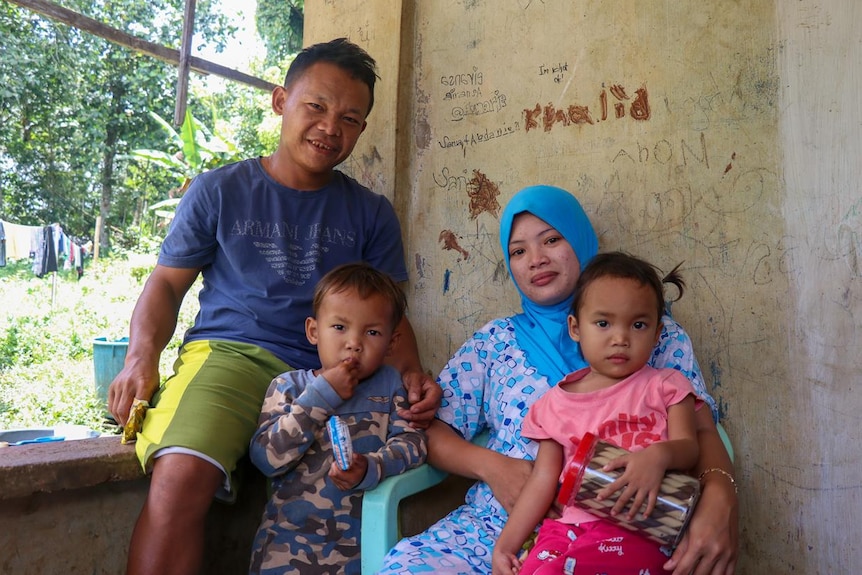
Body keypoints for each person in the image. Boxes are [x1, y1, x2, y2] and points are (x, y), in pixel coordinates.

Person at [107, 38, 440, 575]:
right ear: (281, 100)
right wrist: (139, 356)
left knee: (360, 484)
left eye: (351, 118)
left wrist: (411, 376)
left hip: (341, 370)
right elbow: (166, 286)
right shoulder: (219, 190)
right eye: (317, 106)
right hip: (233, 358)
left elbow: (389, 319)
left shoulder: (371, 214)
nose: (331, 127)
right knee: (179, 479)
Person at [378, 185, 738, 575]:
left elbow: (703, 432)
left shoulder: (653, 332)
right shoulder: (494, 342)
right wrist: (494, 468)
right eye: (518, 251)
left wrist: (720, 502)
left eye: (551, 239)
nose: (536, 259)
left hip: (625, 528)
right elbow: (430, 431)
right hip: (498, 526)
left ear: (582, 239)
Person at [492, 251, 701, 575]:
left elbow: (689, 448)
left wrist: (658, 456)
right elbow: (543, 480)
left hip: (641, 529)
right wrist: (505, 546)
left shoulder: (666, 387)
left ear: (658, 334)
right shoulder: (554, 404)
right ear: (575, 328)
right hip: (567, 530)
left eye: (638, 325)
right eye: (603, 323)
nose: (620, 338)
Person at [248, 262, 427, 575]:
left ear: (391, 344)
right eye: (340, 327)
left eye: (372, 332)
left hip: (360, 550)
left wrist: (372, 468)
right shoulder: (288, 387)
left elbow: (414, 444)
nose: (354, 343)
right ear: (314, 331)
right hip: (286, 548)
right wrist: (321, 395)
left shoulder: (390, 387)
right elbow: (267, 457)